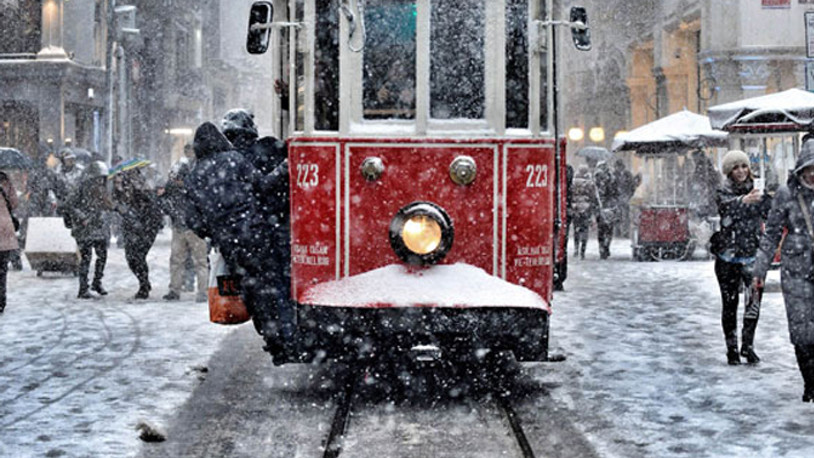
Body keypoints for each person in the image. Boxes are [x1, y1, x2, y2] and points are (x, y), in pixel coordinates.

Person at [184, 122, 293, 362]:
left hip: (230, 244)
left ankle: (270, 337)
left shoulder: (193, 177)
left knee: (251, 291)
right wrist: (285, 168)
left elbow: (192, 220)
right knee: (273, 286)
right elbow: (263, 186)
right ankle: (285, 339)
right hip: (256, 235)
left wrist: (215, 230)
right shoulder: (234, 159)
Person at [753, 140, 814, 401]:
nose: (813, 174)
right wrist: (760, 269)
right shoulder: (786, 194)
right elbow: (771, 235)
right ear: (801, 168)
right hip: (796, 270)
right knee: (801, 331)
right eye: (809, 168)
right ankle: (810, 381)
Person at [712, 150, 772, 365]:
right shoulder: (723, 191)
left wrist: (764, 199)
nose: (740, 171)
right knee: (730, 304)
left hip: (753, 257)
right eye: (735, 167)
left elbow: (771, 213)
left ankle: (748, 345)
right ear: (729, 171)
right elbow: (727, 209)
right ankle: (732, 349)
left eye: (744, 166)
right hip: (727, 258)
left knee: (753, 303)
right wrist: (743, 201)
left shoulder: (759, 189)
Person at [112, 161, 164, 299]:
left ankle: (144, 286)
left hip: (146, 225)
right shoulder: (122, 188)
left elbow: (150, 205)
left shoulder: (144, 186)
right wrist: (119, 192)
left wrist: (139, 192)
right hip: (131, 226)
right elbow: (116, 203)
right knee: (130, 258)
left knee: (139, 256)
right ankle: (144, 282)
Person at [158, 159, 208, 302]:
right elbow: (164, 206)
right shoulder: (174, 188)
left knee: (200, 261)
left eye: (176, 177)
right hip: (181, 228)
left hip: (195, 230)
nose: (174, 180)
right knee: (177, 261)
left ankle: (202, 291)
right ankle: (175, 290)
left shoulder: (194, 188)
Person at [65, 161, 113, 299]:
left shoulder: (104, 190)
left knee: (102, 256)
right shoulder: (81, 188)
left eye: (102, 178)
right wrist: (82, 217)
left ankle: (97, 282)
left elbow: (108, 205)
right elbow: (69, 204)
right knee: (86, 258)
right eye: (98, 177)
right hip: (84, 229)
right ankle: (83, 287)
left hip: (99, 227)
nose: (100, 180)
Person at [571, 165, 599, 260]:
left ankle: (576, 248)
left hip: (576, 209)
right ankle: (583, 250)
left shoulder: (573, 182)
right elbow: (594, 198)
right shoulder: (590, 184)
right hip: (586, 209)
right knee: (585, 230)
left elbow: (570, 195)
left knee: (576, 230)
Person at [0, 171, 18, 314]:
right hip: (4, 228)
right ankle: (1, 300)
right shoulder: (5, 180)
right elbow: (14, 203)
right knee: (2, 269)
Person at [594, 160, 619, 259]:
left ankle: (601, 247)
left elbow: (594, 194)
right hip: (610, 206)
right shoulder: (612, 178)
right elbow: (616, 192)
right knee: (609, 229)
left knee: (601, 229)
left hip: (600, 206)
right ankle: (607, 245)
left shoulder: (596, 178)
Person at [614, 159, 637, 237]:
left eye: (618, 166)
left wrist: (629, 195)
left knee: (626, 215)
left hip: (625, 197)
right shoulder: (614, 174)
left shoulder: (628, 174)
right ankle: (618, 231)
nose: (617, 168)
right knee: (617, 215)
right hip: (617, 198)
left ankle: (626, 232)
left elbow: (632, 185)